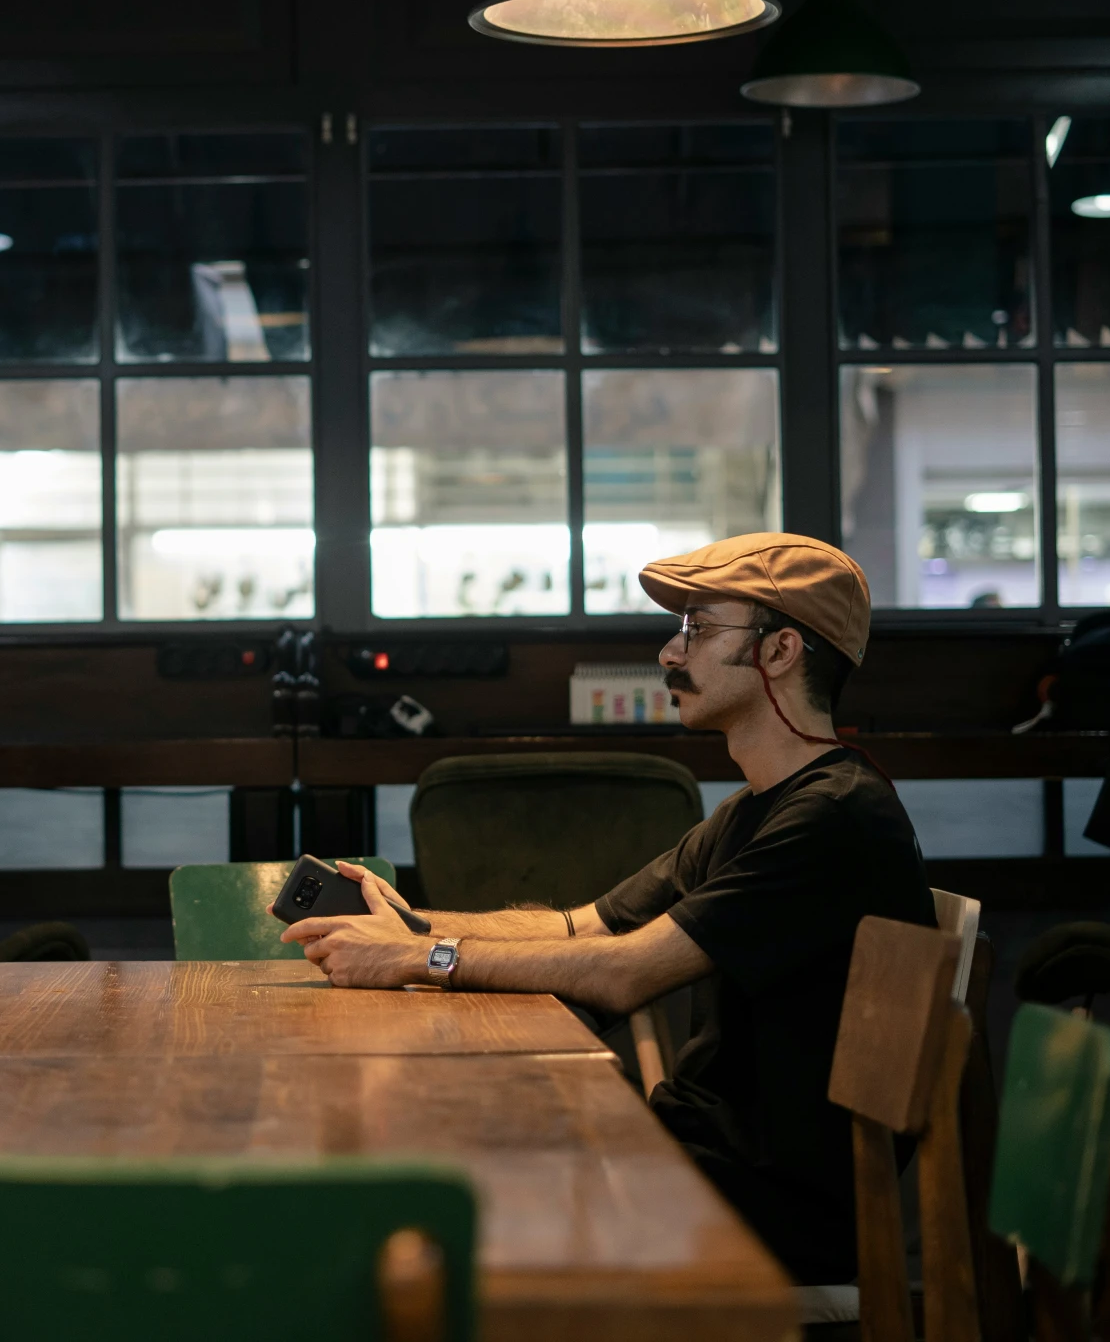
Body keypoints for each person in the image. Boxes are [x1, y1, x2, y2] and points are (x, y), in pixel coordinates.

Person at [281, 531, 935, 1287]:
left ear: (781, 650)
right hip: (702, 1163)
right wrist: (419, 927)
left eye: (698, 628)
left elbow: (626, 973)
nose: (669, 653)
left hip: (770, 1210)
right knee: (446, 1157)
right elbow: (585, 925)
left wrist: (419, 959)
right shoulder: (754, 812)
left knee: (435, 1198)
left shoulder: (833, 818)